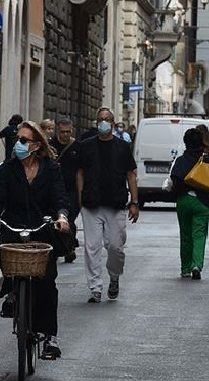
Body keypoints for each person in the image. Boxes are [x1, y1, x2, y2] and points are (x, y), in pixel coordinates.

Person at [0, 120, 71, 359]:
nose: (17, 144)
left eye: (23, 140)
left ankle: (50, 337)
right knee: (7, 258)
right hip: (14, 226)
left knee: (47, 281)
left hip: (42, 229)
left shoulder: (51, 169)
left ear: (36, 145)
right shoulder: (7, 169)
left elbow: (60, 198)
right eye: (17, 139)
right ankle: (12, 291)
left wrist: (62, 218)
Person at [76, 108, 140, 303]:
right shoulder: (86, 146)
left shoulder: (122, 147)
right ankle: (95, 288)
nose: (103, 122)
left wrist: (135, 202)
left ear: (113, 124)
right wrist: (80, 199)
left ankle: (114, 276)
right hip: (91, 204)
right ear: (97, 123)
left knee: (115, 246)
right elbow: (79, 173)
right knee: (92, 247)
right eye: (100, 119)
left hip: (116, 203)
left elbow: (131, 174)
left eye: (107, 119)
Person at [170, 129, 209, 279]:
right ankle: (196, 265)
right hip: (203, 203)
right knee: (199, 235)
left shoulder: (181, 160)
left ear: (185, 142)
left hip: (184, 201)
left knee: (185, 235)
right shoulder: (207, 160)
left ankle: (185, 268)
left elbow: (175, 179)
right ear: (201, 142)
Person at [52, 118, 80, 263]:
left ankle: (69, 248)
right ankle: (58, 247)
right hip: (54, 190)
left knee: (69, 220)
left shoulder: (77, 146)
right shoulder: (50, 145)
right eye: (63, 132)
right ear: (58, 130)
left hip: (72, 191)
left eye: (68, 132)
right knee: (54, 219)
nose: (65, 135)